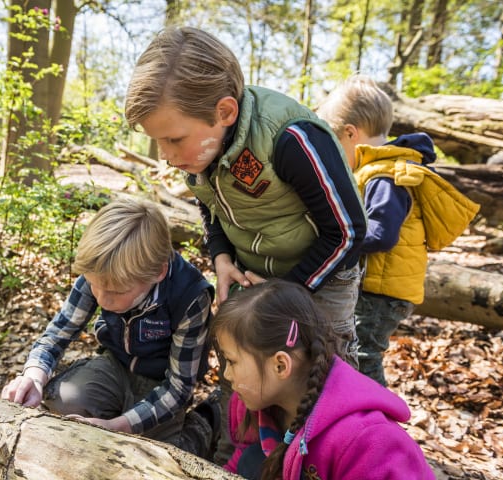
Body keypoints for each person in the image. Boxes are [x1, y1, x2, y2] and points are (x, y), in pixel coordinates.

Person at [124, 26, 367, 367]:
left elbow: (348, 231)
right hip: (252, 273)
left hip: (322, 275)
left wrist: (286, 293)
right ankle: (237, 421)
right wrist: (221, 257)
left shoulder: (289, 139)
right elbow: (212, 207)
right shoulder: (199, 150)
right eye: (159, 142)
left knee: (320, 366)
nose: (165, 154)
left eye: (174, 140)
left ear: (224, 112)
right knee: (244, 364)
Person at [1, 198, 218, 458]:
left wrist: (118, 426)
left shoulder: (190, 296)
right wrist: (33, 377)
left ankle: (207, 418)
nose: (102, 299)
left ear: (157, 273)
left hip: (162, 382)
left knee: (158, 456)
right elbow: (58, 334)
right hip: (117, 365)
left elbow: (178, 387)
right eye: (95, 286)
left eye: (116, 292)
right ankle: (112, 404)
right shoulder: (101, 270)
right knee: (64, 401)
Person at [315, 75, 480, 385]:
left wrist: (340, 236)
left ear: (351, 134)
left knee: (364, 354)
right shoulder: (379, 168)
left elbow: (382, 235)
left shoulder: (385, 176)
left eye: (334, 144)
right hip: (379, 285)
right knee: (352, 350)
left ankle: (379, 422)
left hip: (383, 292)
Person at [212, 278, 436, 480]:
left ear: (280, 365)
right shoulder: (254, 404)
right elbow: (241, 465)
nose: (226, 375)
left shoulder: (366, 440)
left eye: (231, 362)